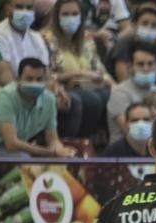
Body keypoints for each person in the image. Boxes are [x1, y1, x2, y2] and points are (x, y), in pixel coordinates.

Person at [0, 58, 73, 155]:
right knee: (23, 158)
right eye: (29, 79)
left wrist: (60, 150)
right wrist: (50, 153)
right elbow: (12, 144)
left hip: (11, 151)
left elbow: (53, 139)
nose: (34, 83)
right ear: (18, 80)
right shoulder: (5, 97)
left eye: (39, 79)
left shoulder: (49, 100)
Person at [46, 0, 113, 138]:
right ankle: (78, 142)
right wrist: (80, 73)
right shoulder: (46, 40)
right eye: (65, 14)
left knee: (109, 95)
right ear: (56, 17)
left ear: (81, 17)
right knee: (91, 99)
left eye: (74, 14)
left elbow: (100, 70)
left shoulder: (87, 40)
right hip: (61, 88)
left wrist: (117, 87)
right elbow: (47, 76)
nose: (70, 18)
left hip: (88, 86)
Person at [106, 45, 156, 139]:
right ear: (131, 67)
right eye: (140, 64)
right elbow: (129, 130)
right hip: (124, 150)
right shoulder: (119, 92)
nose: (146, 68)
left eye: (150, 63)